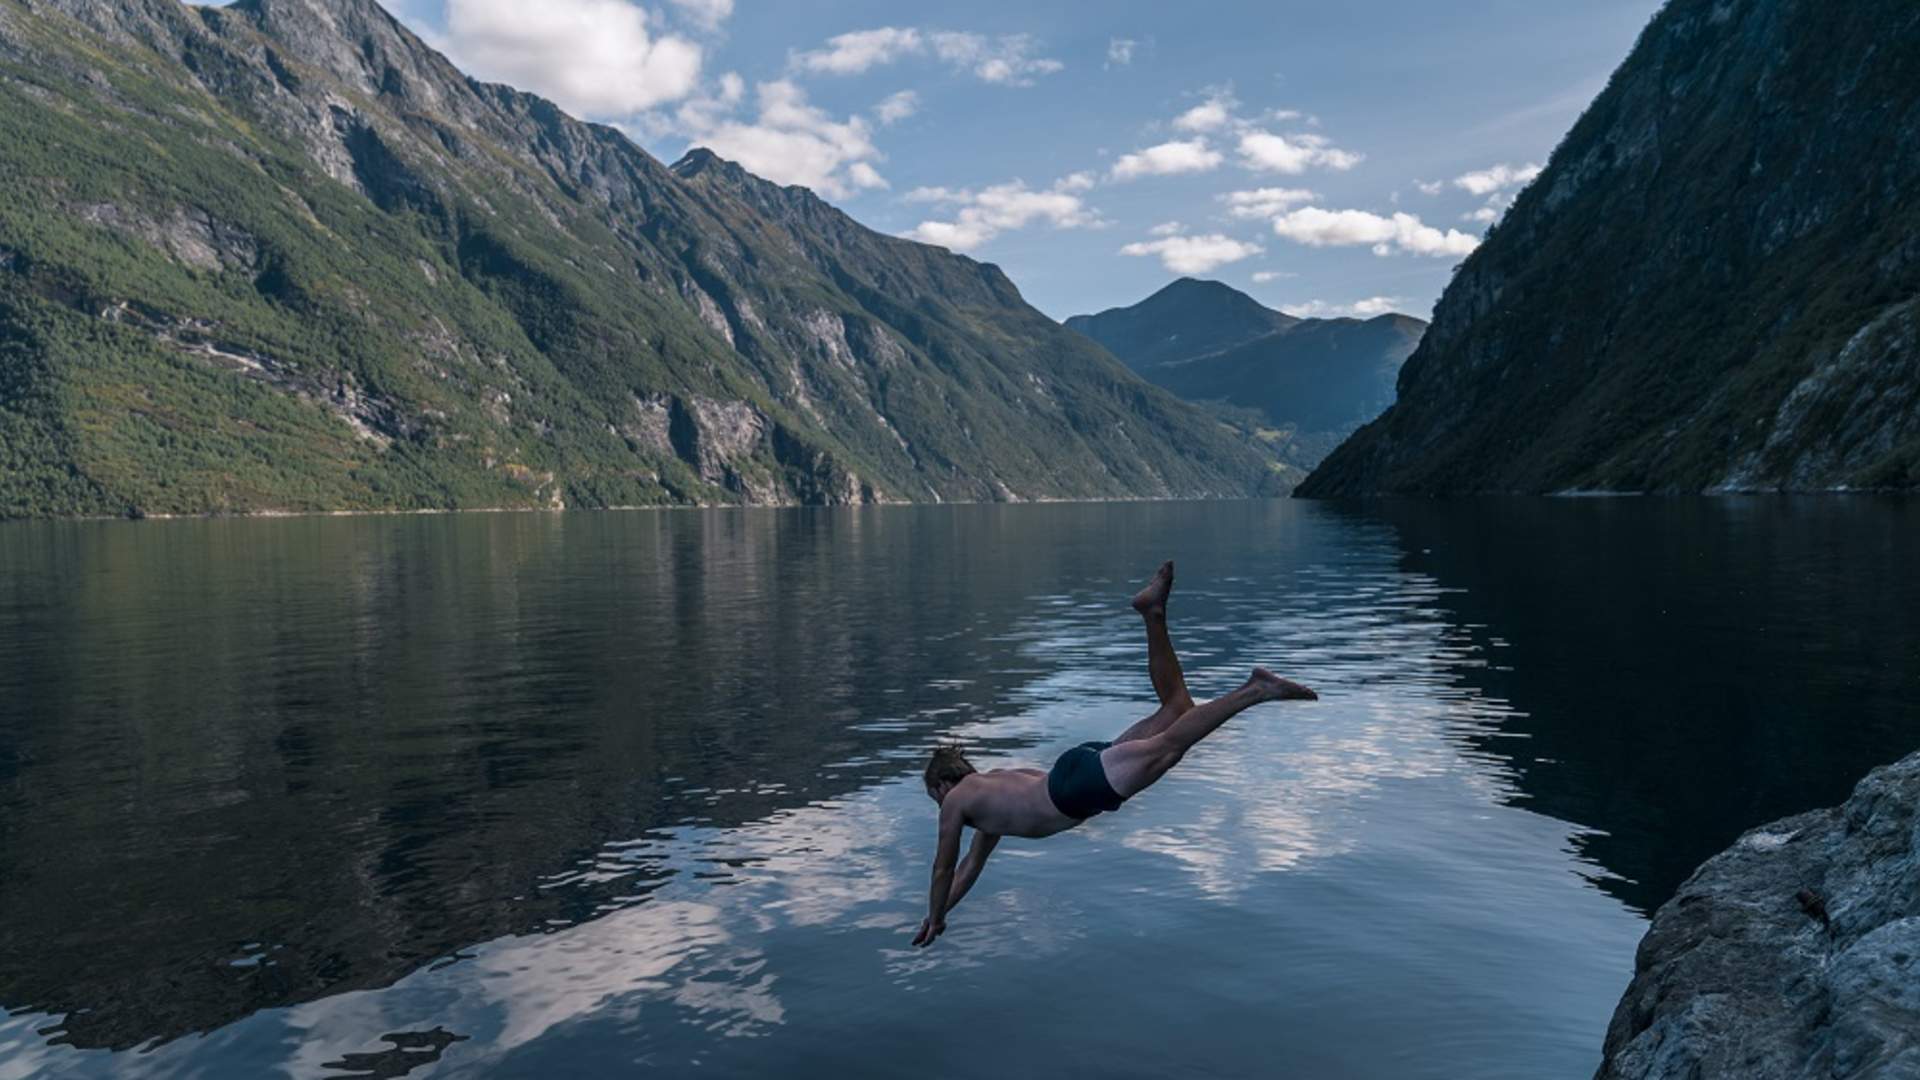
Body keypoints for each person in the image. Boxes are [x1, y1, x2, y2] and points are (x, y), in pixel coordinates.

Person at [912, 561, 1317, 947]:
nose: (940, 807)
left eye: (936, 797)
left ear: (944, 783)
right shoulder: (989, 804)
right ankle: (1152, 612)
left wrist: (938, 914)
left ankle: (1257, 690)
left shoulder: (959, 800)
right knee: (1177, 709)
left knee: (1169, 747)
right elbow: (968, 869)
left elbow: (943, 867)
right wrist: (936, 916)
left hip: (1074, 790)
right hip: (1075, 769)